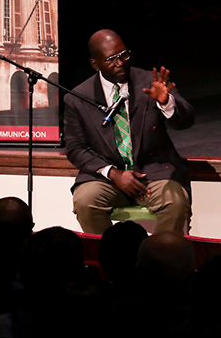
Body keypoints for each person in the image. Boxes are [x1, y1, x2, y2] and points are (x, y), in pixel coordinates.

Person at [64, 29, 195, 235]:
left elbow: (186, 120)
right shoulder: (78, 98)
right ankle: (109, 259)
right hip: (108, 178)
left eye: (123, 54)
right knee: (86, 202)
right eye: (111, 59)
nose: (120, 62)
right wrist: (113, 173)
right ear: (95, 64)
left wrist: (167, 103)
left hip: (154, 173)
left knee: (175, 201)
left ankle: (157, 259)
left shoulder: (150, 82)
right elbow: (75, 148)